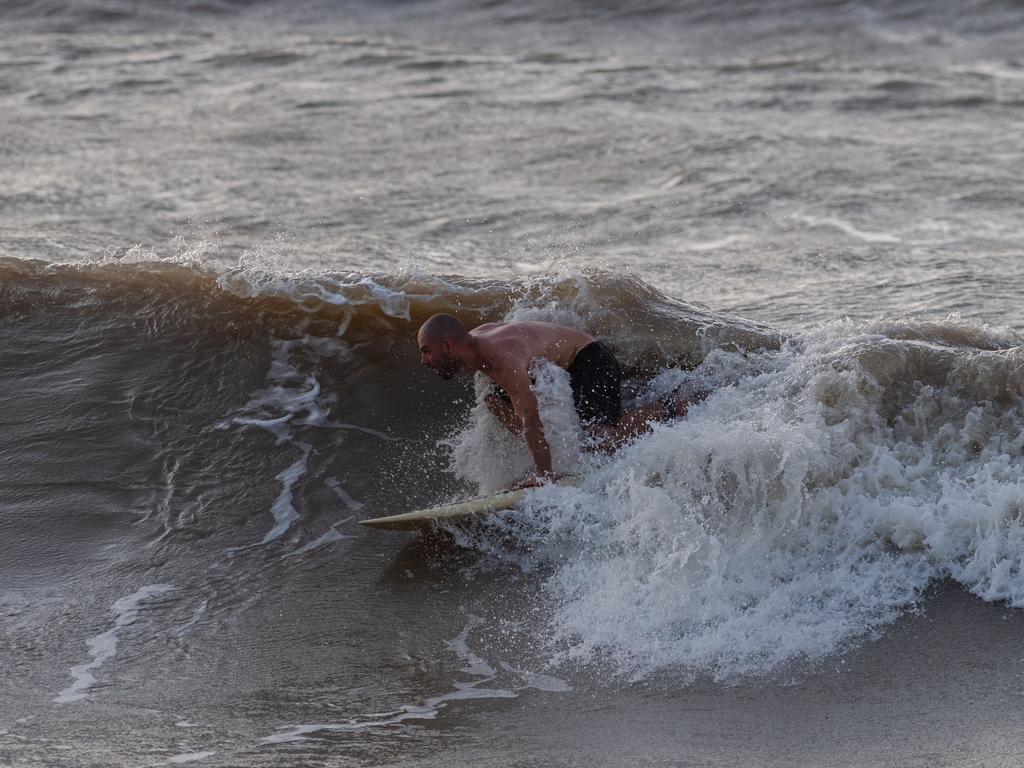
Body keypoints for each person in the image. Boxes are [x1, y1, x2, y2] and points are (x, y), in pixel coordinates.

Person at [417, 313, 689, 486]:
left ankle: (673, 408)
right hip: (557, 366)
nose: (424, 361)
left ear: (449, 345)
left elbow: (530, 418)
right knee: (493, 401)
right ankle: (550, 459)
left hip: (589, 359)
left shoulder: (502, 357)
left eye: (426, 352)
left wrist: (543, 475)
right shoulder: (473, 347)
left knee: (602, 442)